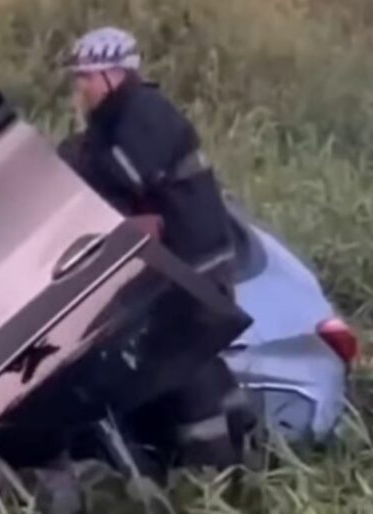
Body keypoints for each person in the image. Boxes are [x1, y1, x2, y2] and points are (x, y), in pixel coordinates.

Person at [58, 27, 252, 468]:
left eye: (86, 78)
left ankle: (208, 474)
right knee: (199, 362)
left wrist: (70, 168)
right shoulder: (125, 116)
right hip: (189, 264)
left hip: (195, 266)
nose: (81, 89)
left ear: (111, 75)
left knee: (184, 367)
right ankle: (237, 455)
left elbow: (117, 180)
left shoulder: (141, 114)